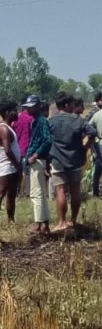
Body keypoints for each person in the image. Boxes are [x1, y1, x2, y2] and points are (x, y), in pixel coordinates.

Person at [48, 93, 96, 231]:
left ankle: (62, 222)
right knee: (75, 190)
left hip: (57, 161)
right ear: (67, 105)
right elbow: (92, 133)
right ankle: (73, 220)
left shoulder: (51, 122)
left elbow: (45, 139)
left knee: (60, 190)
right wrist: (85, 148)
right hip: (76, 160)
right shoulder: (78, 120)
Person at [23, 95, 52, 235]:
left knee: (36, 193)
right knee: (41, 193)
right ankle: (45, 224)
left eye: (31, 107)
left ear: (38, 106)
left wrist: (35, 155)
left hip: (37, 160)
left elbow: (47, 140)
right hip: (37, 160)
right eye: (27, 107)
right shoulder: (35, 121)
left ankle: (38, 224)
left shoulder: (41, 121)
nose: (28, 109)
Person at [0, 101, 21, 226]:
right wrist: (17, 165)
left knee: (11, 194)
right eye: (14, 110)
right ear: (7, 113)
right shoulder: (3, 129)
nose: (17, 112)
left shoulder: (7, 127)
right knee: (0, 193)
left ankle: (11, 220)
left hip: (11, 166)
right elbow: (7, 150)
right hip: (7, 166)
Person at [13, 100, 35, 198]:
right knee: (28, 173)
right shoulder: (32, 118)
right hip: (28, 148)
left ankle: (17, 192)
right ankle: (28, 192)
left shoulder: (16, 118)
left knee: (17, 172)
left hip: (17, 149)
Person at [88, 92, 102, 197]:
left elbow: (88, 127)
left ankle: (96, 192)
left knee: (98, 169)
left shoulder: (96, 115)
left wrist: (94, 138)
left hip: (100, 144)